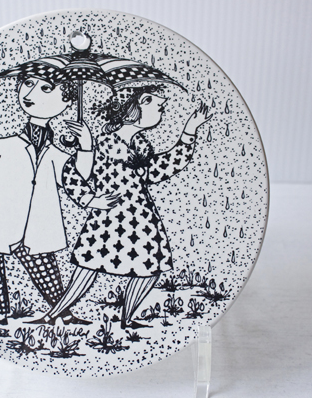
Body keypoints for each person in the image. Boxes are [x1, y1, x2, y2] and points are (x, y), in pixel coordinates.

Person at [31, 85, 213, 329]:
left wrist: (189, 131)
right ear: (138, 107)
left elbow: (161, 168)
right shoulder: (104, 144)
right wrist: (90, 199)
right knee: (87, 269)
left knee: (150, 269)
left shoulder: (140, 147)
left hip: (141, 220)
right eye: (158, 106)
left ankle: (127, 319)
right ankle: (52, 316)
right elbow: (73, 173)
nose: (162, 111)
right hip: (108, 220)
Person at [0, 70, 115, 326]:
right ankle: (0, 314)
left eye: (46, 88)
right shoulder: (12, 144)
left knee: (44, 268)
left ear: (67, 101)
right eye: (28, 83)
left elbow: (77, 175)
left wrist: (86, 146)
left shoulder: (54, 154)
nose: (32, 93)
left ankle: (63, 313)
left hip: (33, 224)